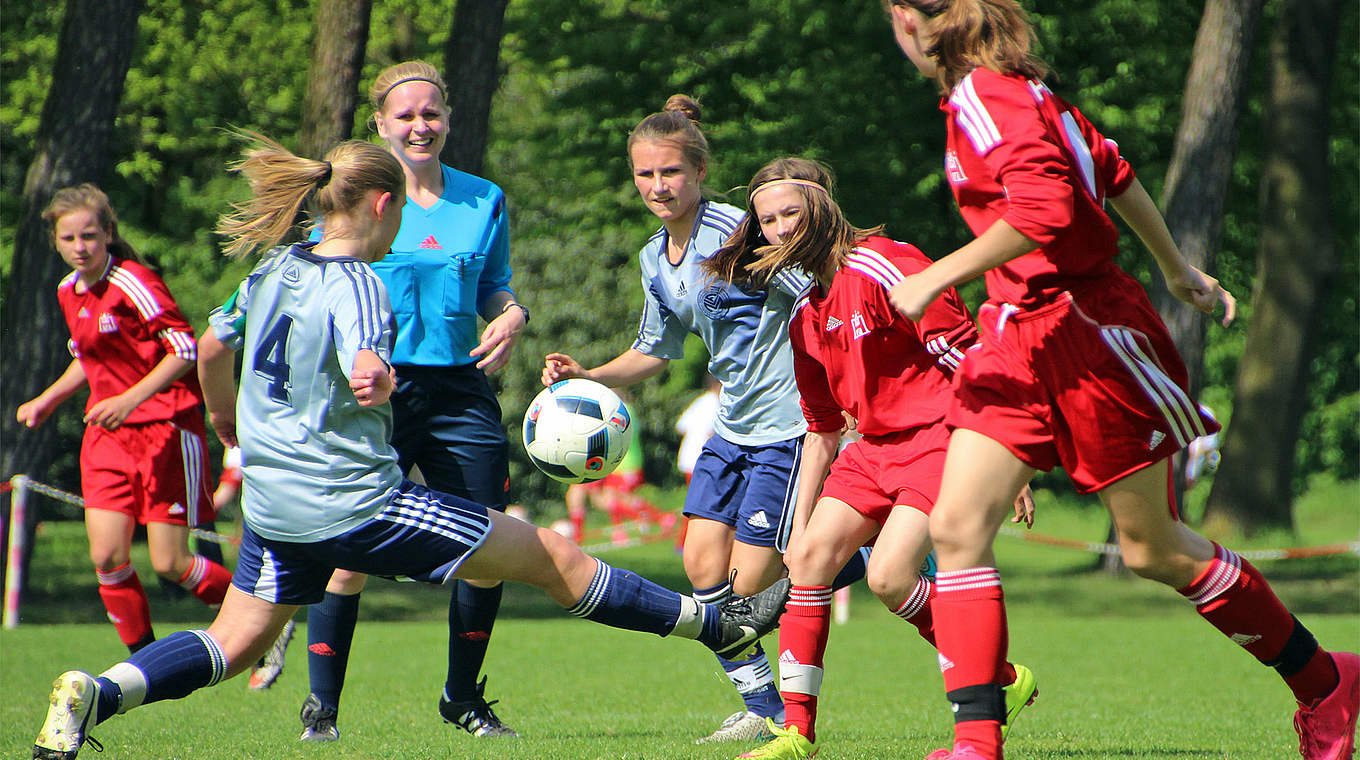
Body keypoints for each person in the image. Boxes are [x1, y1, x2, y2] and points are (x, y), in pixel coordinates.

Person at [30, 132, 789, 760]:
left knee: (234, 639)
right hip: (354, 504)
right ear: (384, 203)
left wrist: (227, 420)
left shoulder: (272, 268)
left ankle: (97, 693)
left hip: (271, 501)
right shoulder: (359, 282)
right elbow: (363, 355)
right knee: (553, 560)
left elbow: (210, 345)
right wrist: (374, 379)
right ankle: (716, 625)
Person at [878, 3, 1359, 759]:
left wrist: (937, 275)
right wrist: (1177, 267)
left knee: (1152, 549)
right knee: (957, 527)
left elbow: (1048, 207)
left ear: (909, 20)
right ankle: (975, 743)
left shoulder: (990, 96)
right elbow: (1112, 167)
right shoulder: (1020, 91)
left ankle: (1325, 681)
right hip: (1012, 334)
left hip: (1085, 333)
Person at [542, 94, 870, 745]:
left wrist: (852, 402)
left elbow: (823, 294)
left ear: (697, 171)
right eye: (645, 175)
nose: (658, 186)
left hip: (789, 428)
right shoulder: (651, 259)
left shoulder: (738, 231)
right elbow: (655, 352)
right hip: (730, 429)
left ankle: (855, 552)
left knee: (748, 587)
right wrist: (589, 376)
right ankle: (765, 709)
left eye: (671, 172)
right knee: (700, 573)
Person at [705, 157, 1037, 760]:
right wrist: (797, 523)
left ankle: (995, 684)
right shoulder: (805, 315)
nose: (779, 229)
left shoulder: (885, 262)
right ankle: (796, 735)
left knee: (887, 576)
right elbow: (821, 429)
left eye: (790, 214)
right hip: (872, 451)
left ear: (821, 206)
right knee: (805, 558)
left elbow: (966, 354)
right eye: (767, 220)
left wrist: (1002, 450)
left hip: (942, 439)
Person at [297, 60, 529, 741]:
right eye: (406, 116)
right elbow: (315, 284)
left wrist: (511, 314)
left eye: (432, 113)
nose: (420, 125)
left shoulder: (483, 198)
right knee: (350, 553)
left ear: (450, 119)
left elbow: (494, 285)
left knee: (490, 545)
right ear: (380, 125)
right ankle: (323, 711)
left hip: (460, 389)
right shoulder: (360, 199)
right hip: (377, 391)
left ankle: (463, 699)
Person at [15, 184, 233, 655]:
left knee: (170, 562)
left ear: (108, 234)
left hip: (164, 431)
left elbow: (184, 348)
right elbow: (87, 358)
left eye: (90, 236)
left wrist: (129, 400)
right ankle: (143, 664)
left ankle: (263, 625)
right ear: (55, 241)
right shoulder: (68, 291)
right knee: (107, 557)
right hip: (108, 437)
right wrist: (47, 401)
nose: (80, 247)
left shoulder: (133, 281)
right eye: (69, 238)